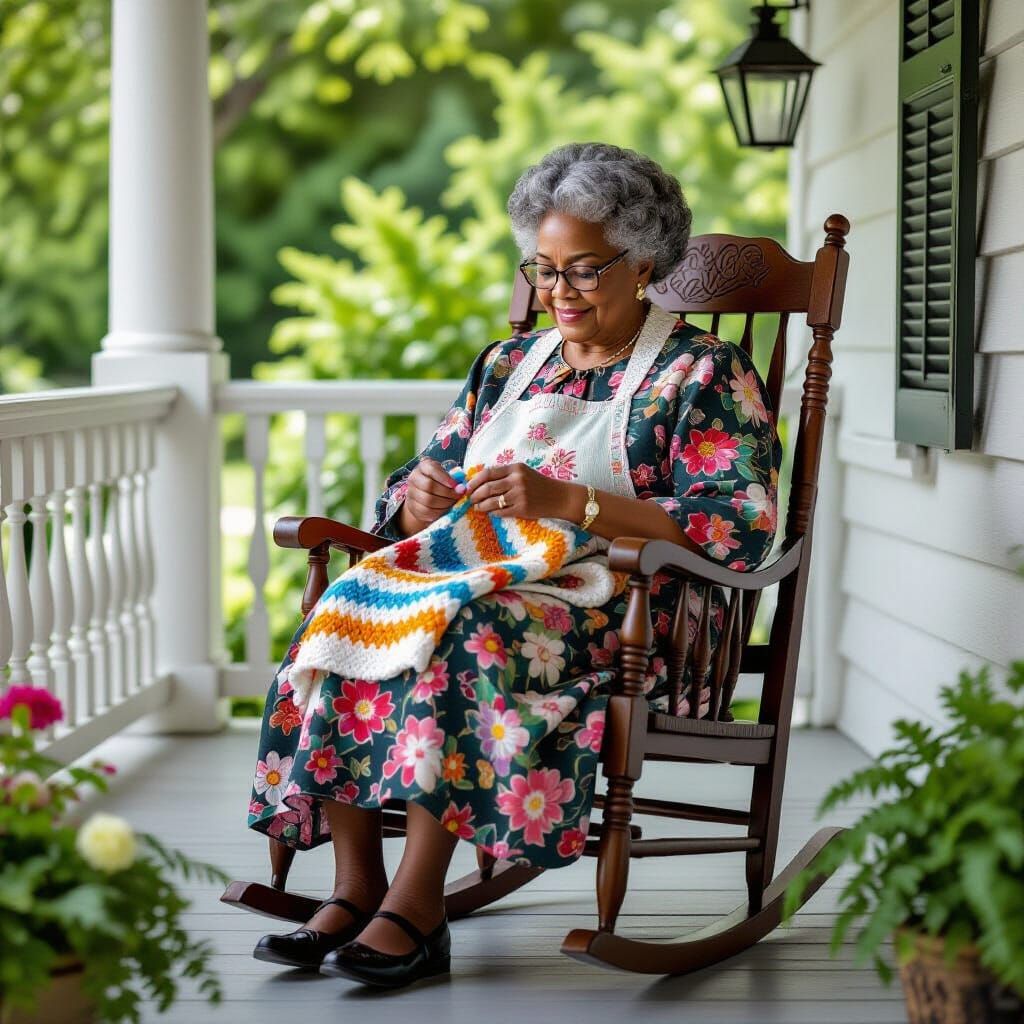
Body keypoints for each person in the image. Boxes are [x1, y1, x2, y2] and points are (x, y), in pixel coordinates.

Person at [247, 141, 781, 989]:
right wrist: (417, 501)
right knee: (352, 600)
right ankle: (356, 888)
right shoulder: (507, 365)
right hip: (487, 578)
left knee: (466, 628)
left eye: (583, 271)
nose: (557, 293)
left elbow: (739, 529)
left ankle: (417, 909)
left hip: (629, 608)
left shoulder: (702, 371)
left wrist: (573, 503)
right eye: (542, 269)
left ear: (643, 262)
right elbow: (421, 482)